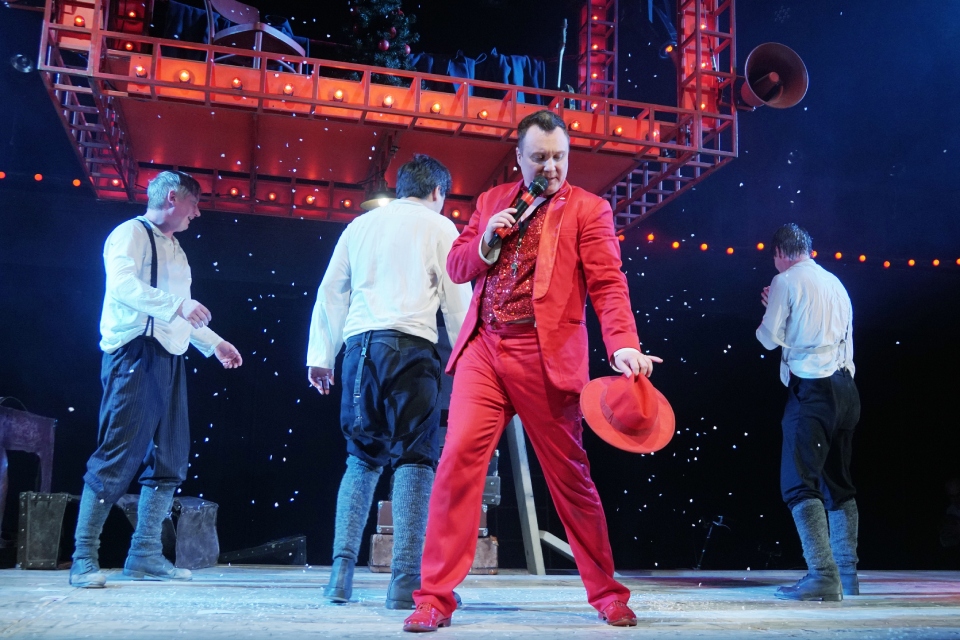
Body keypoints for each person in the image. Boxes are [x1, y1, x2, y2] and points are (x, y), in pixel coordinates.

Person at [403, 110, 660, 632]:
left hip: (544, 357)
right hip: (484, 350)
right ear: (519, 158)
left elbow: (608, 284)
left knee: (571, 479)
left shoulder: (588, 209)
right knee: (456, 463)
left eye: (560, 156)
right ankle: (434, 598)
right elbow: (457, 266)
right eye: (540, 157)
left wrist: (624, 345)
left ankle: (608, 594)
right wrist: (486, 240)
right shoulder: (493, 201)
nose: (551, 167)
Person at [306, 154, 472, 609]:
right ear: (438, 192)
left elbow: (331, 291)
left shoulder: (359, 226)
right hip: (410, 350)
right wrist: (468, 360)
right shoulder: (441, 227)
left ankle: (339, 576)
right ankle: (404, 580)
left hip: (359, 352)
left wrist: (321, 356)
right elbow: (457, 300)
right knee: (415, 460)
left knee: (361, 459)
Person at [69, 171, 243, 588]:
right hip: (135, 353)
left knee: (170, 459)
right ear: (172, 198)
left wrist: (214, 343)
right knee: (117, 456)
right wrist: (177, 306)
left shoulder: (177, 250)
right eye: (194, 204)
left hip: (170, 357)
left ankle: (145, 553)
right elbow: (123, 286)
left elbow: (183, 313)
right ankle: (83, 557)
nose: (197, 213)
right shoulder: (130, 233)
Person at [756, 223, 861, 601]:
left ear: (780, 253)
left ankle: (823, 575)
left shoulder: (785, 281)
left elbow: (768, 339)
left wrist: (773, 308)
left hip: (813, 389)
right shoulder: (836, 282)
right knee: (838, 483)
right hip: (846, 391)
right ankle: (846, 574)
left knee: (798, 483)